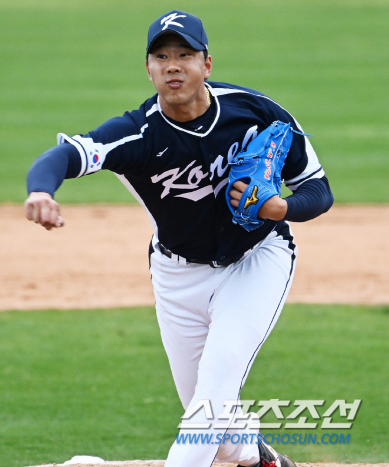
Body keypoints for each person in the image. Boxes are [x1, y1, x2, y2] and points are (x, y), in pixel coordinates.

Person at [23, 9, 334, 467]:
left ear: (207, 64)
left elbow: (318, 189)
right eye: (161, 56)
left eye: (185, 55)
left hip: (257, 260)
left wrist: (281, 208)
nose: (173, 65)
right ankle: (260, 456)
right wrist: (40, 190)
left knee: (208, 403)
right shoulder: (137, 133)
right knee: (215, 423)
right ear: (148, 69)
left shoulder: (254, 111)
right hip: (176, 275)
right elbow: (67, 155)